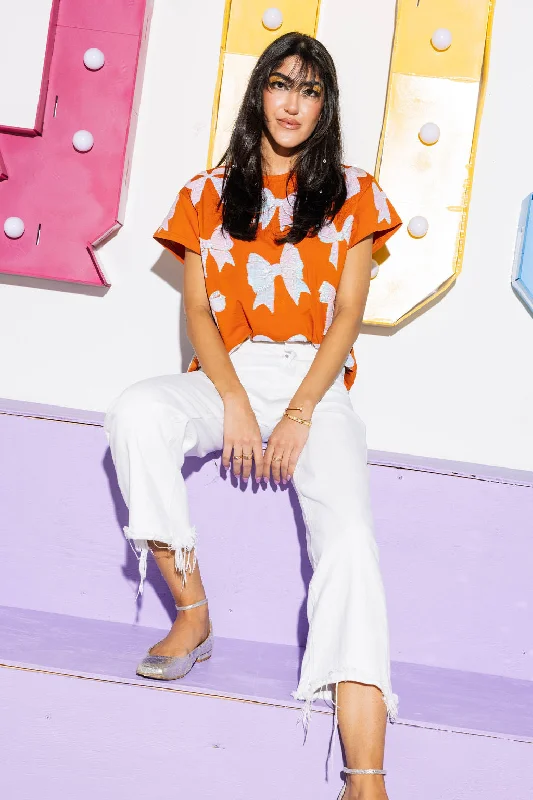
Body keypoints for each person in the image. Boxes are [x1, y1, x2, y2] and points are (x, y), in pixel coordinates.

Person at [104, 31, 402, 800]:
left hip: (314, 383)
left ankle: (364, 780)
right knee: (137, 413)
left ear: (324, 104)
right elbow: (198, 310)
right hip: (227, 375)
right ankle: (192, 612)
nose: (292, 103)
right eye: (280, 84)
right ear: (259, 93)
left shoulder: (354, 192)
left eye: (309, 89)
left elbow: (346, 316)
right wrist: (232, 399)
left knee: (352, 544)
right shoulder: (206, 191)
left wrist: (300, 409)